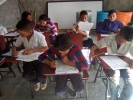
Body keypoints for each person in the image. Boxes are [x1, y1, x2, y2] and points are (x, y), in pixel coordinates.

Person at [90, 26, 133, 100]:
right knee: (114, 81)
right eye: (119, 40)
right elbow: (96, 46)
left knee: (130, 84)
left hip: (124, 62)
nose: (120, 42)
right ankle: (114, 98)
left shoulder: (131, 42)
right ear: (118, 32)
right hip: (111, 61)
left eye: (124, 43)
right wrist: (91, 55)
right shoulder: (110, 38)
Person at [12, 20, 48, 91]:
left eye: (22, 33)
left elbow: (45, 48)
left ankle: (43, 81)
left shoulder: (39, 36)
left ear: (30, 31)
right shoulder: (22, 36)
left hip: (39, 59)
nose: (20, 35)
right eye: (19, 33)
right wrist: (14, 50)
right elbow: (14, 45)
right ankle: (36, 82)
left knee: (41, 76)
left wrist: (32, 50)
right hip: (28, 59)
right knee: (26, 76)